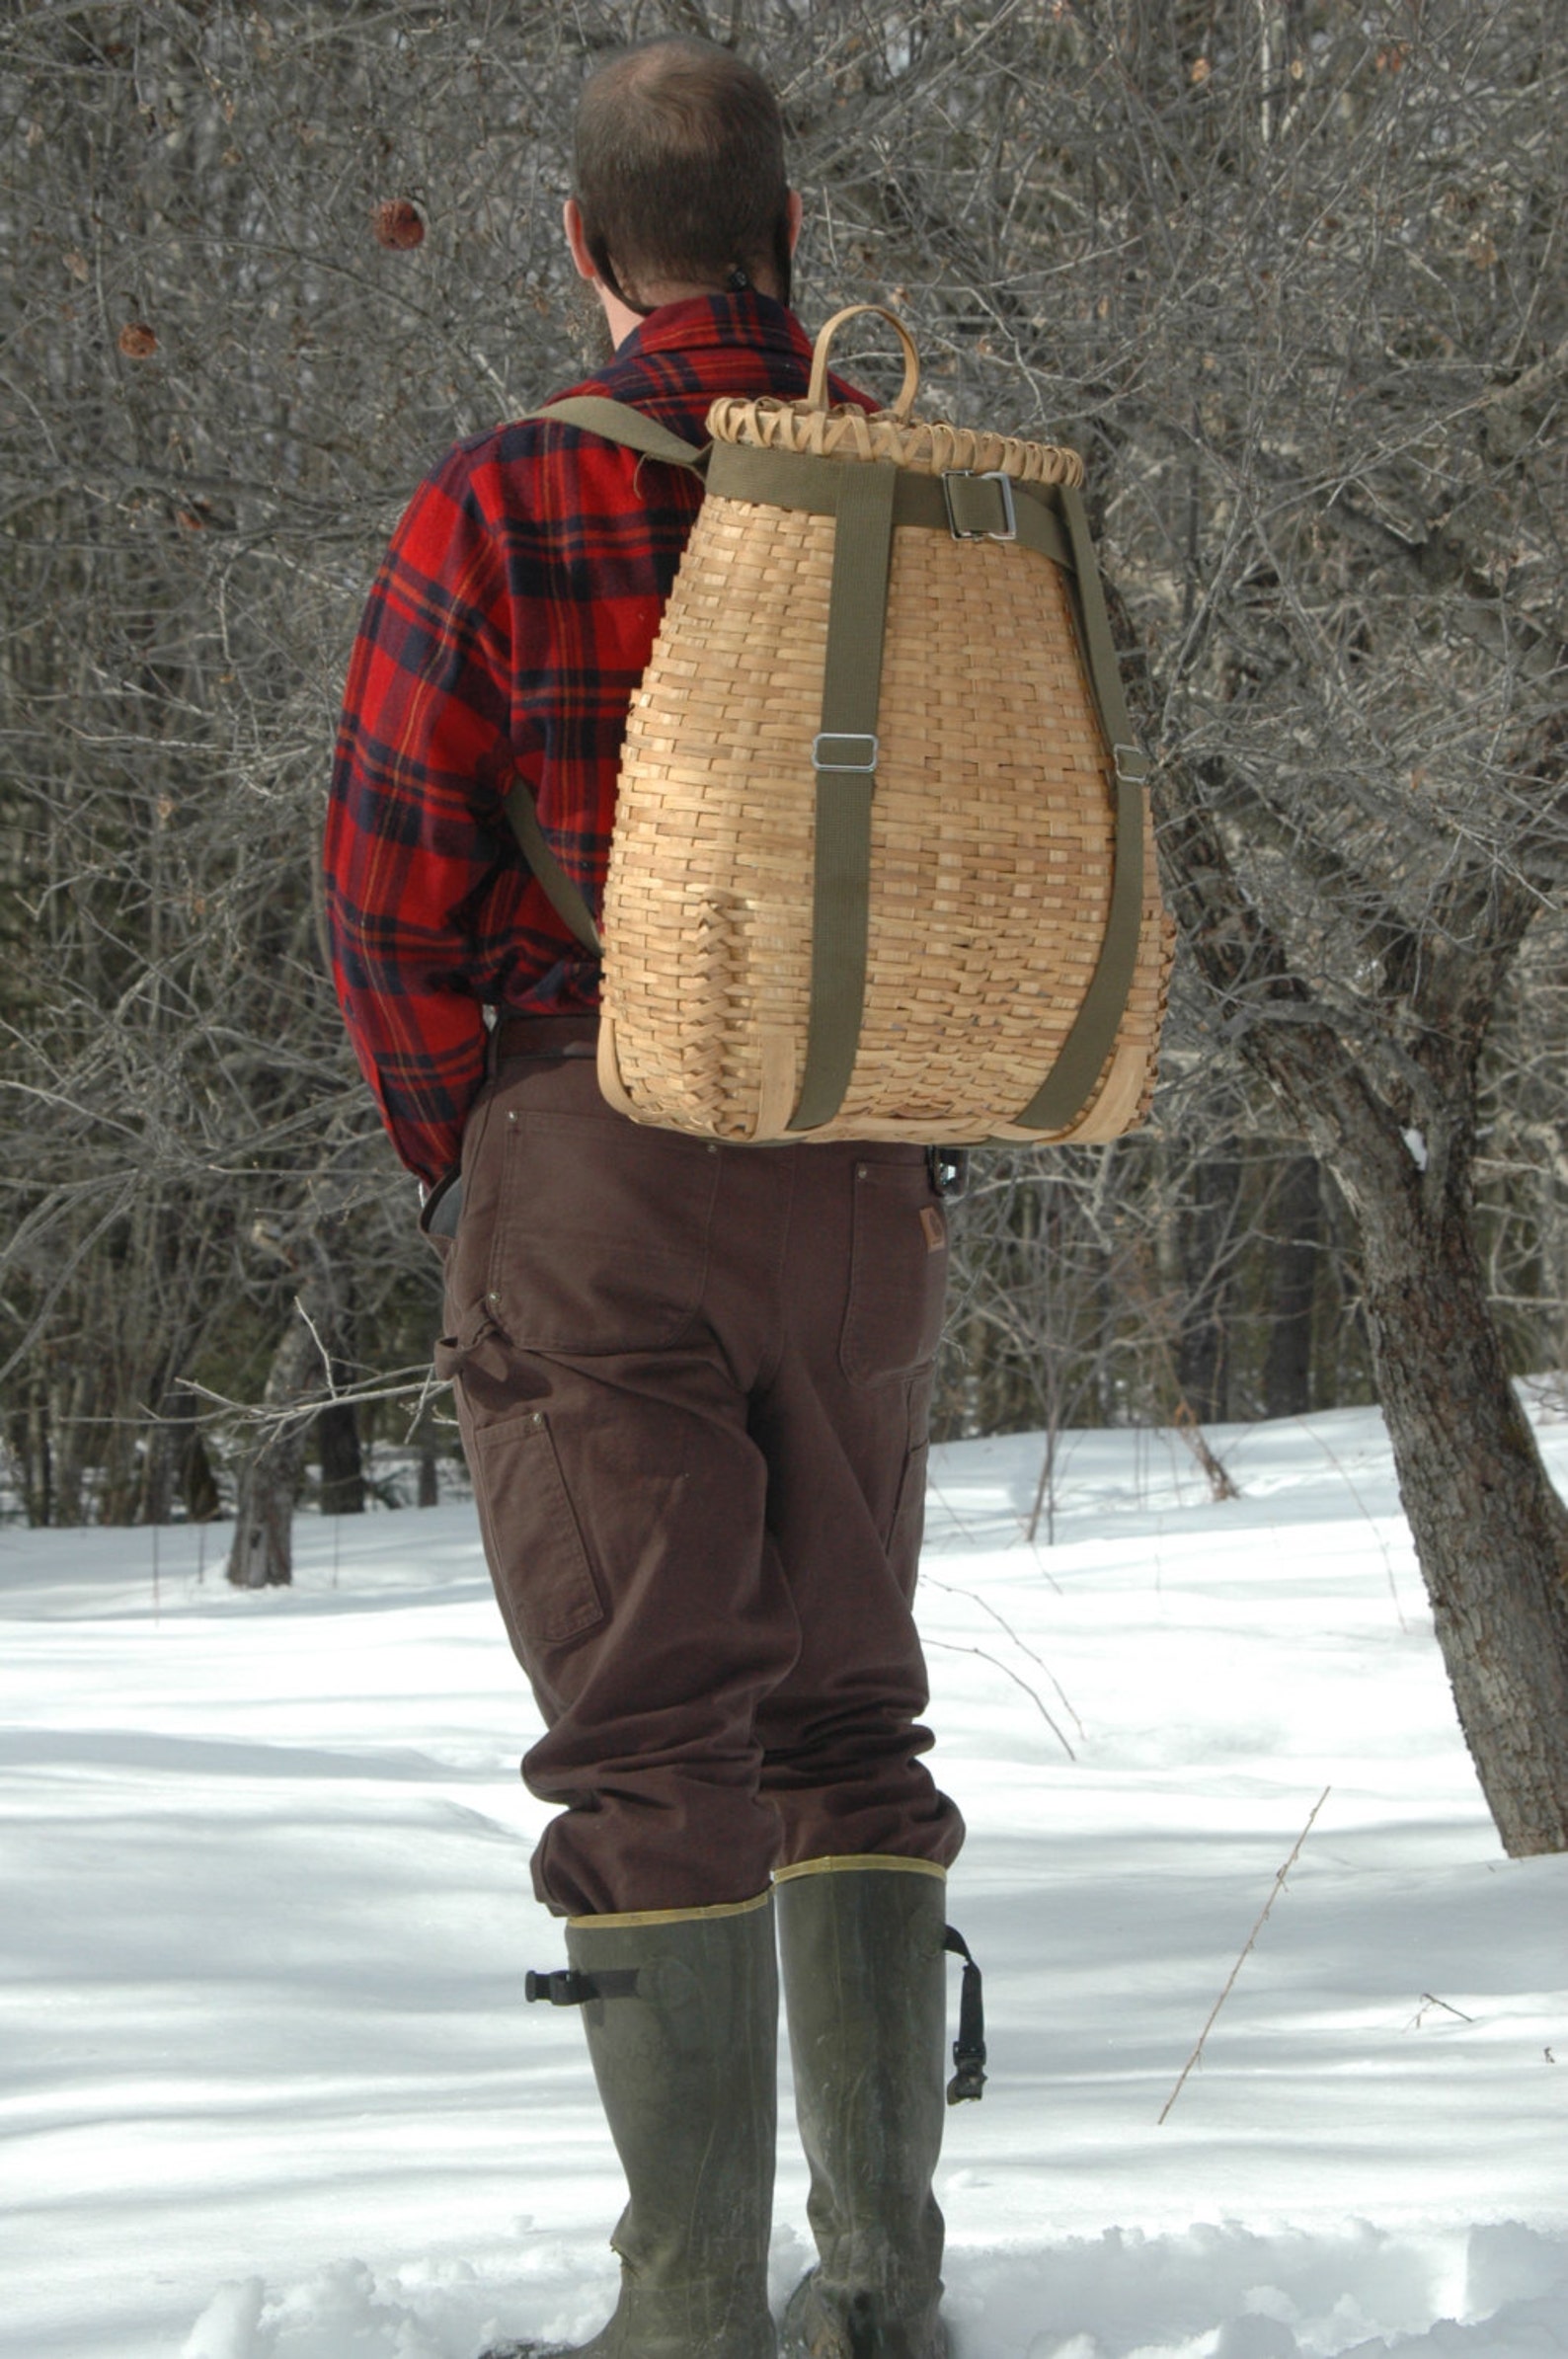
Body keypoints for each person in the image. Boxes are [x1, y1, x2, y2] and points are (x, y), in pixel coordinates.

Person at [324, 35, 970, 2359]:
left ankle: (687, 2313)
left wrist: (482, 1151)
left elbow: (388, 897)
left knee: (644, 1731)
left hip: (585, 1159)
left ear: (582, 251)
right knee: (844, 1723)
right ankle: (879, 2289)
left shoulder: (492, 509)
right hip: (864, 1162)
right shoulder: (922, 501)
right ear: (789, 244)